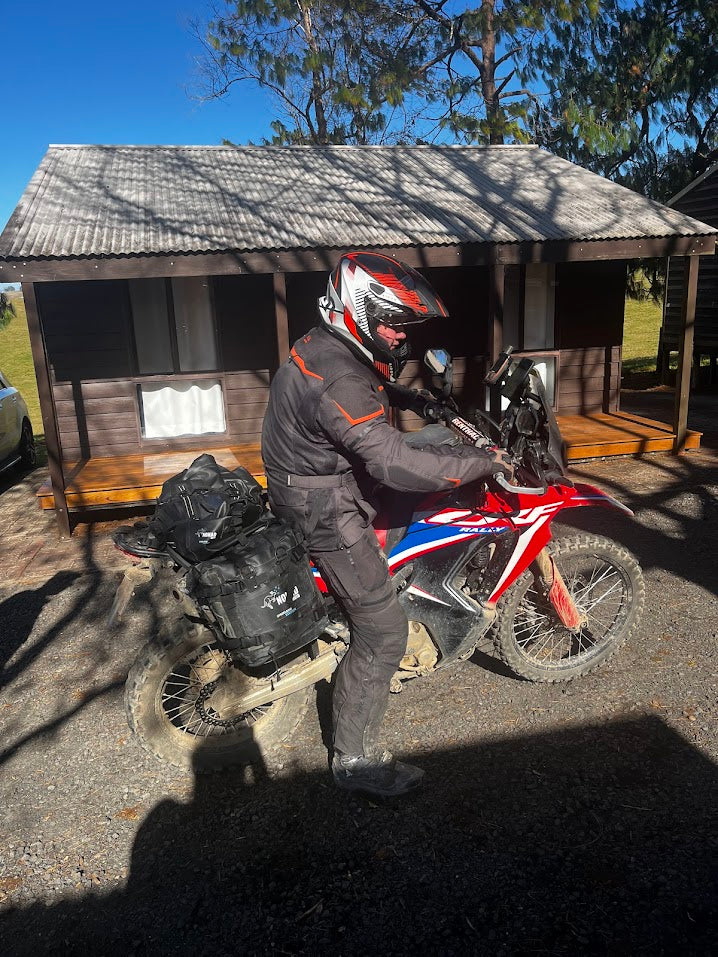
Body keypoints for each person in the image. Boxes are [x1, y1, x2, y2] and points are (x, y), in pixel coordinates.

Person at [261, 252, 513, 798]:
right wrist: (485, 463)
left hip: (313, 480)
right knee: (383, 631)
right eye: (392, 324)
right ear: (357, 310)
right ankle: (354, 762)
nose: (400, 337)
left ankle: (391, 579)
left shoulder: (329, 346)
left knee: (422, 454)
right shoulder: (337, 376)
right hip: (322, 507)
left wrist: (418, 401)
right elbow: (393, 460)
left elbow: (366, 391)